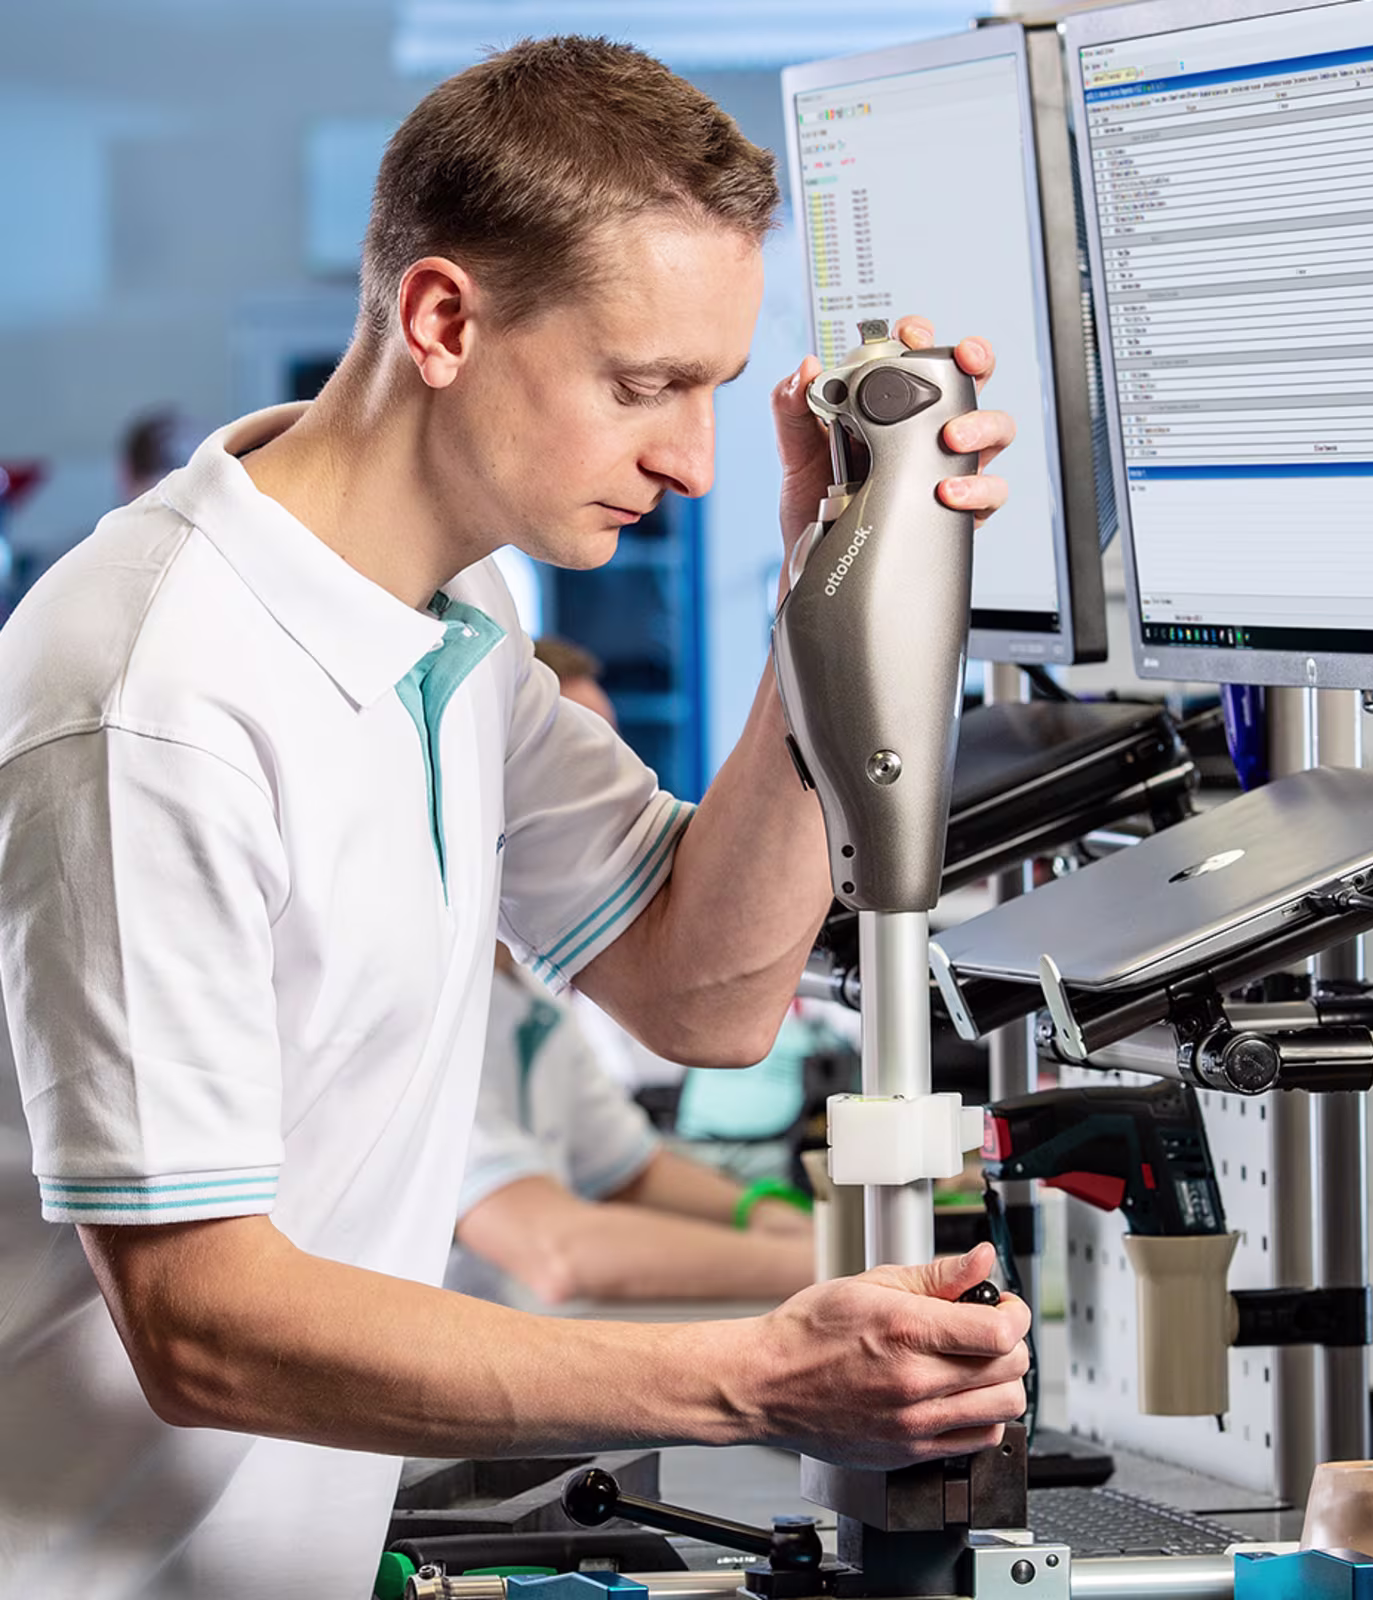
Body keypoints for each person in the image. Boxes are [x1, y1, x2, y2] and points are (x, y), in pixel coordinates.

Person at [0, 36, 1022, 1599]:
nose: (687, 460)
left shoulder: (451, 607)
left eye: (714, 392)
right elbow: (199, 1322)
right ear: (441, 319)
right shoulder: (152, 696)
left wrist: (836, 589)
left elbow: (706, 990)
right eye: (642, 386)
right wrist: (748, 1374)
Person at [452, 941, 814, 1307]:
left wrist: (759, 1209)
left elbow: (630, 1170)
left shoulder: (528, 994)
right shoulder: (430, 1016)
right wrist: (824, 1263)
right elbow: (558, 1253)